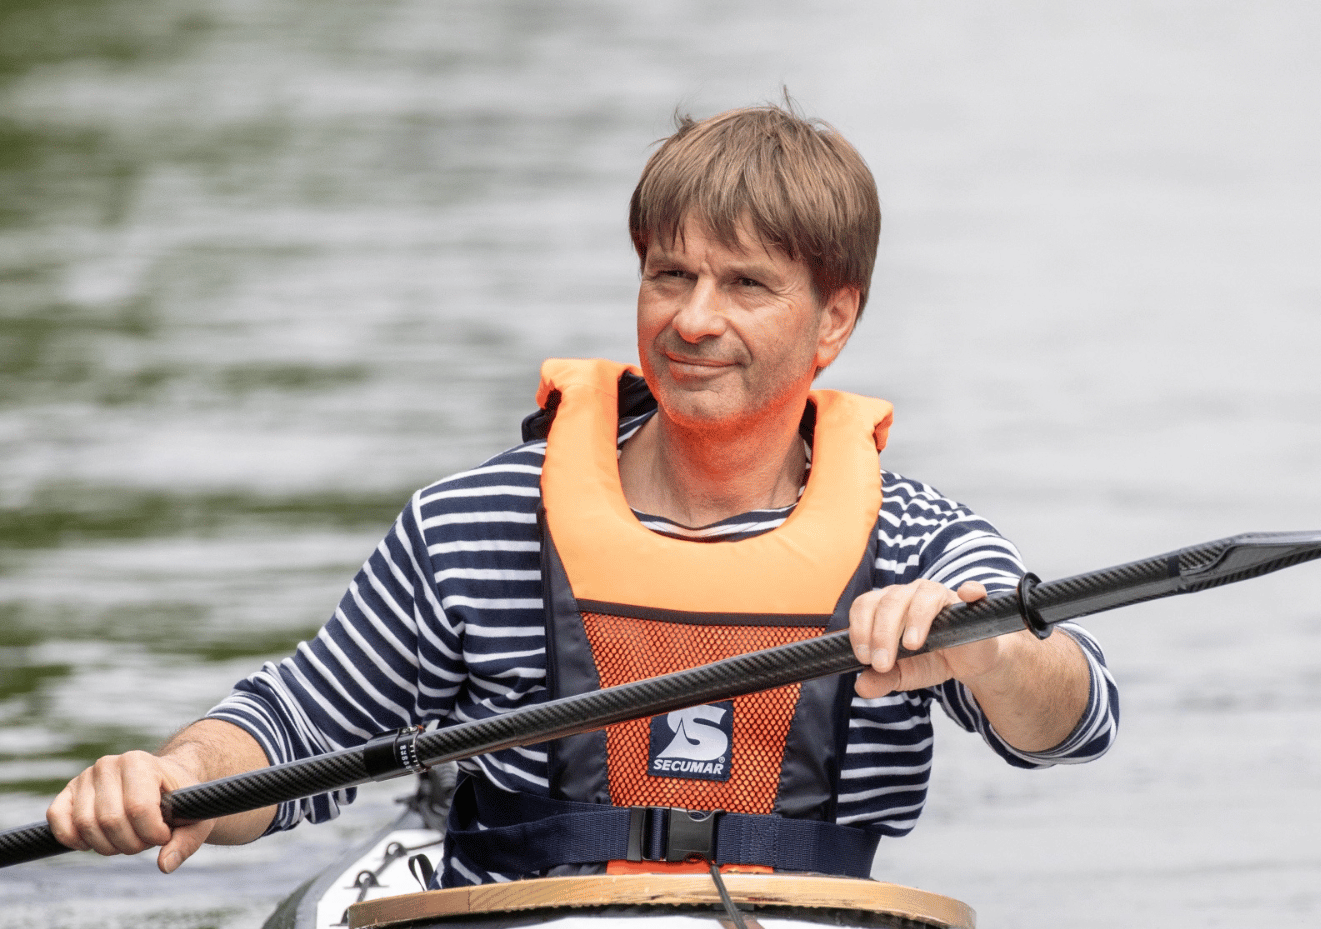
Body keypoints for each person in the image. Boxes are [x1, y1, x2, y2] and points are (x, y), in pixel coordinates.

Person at [47, 103, 1118, 883]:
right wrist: (173, 773)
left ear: (834, 319)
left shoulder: (918, 542)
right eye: (670, 275)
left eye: (747, 285)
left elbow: (1075, 721)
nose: (694, 319)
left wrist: (992, 648)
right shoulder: (472, 526)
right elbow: (291, 735)